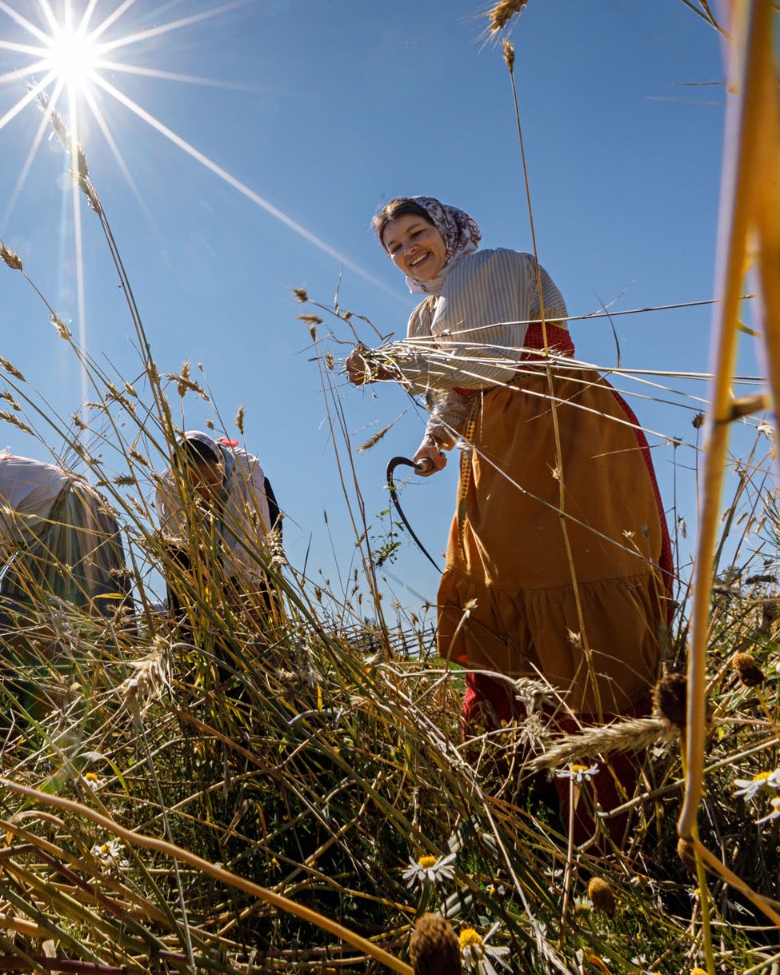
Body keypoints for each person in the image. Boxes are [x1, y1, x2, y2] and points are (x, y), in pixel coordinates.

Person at [346, 196, 672, 834]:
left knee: (571, 577)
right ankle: (525, 794)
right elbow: (457, 394)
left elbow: (486, 362)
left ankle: (606, 806)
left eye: (417, 233)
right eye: (394, 246)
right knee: (501, 587)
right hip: (497, 448)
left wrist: (384, 362)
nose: (409, 250)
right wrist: (435, 442)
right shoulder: (425, 312)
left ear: (447, 231)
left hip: (558, 429)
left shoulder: (489, 266)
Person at [0, 451, 129, 714]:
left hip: (71, 518)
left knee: (18, 599)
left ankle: (1, 682)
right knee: (95, 605)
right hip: (91, 511)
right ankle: (105, 692)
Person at [153, 430, 284, 627]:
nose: (204, 492)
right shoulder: (169, 490)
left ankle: (271, 630)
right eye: (194, 485)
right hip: (199, 530)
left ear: (220, 469)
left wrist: (249, 596)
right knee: (178, 560)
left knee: (262, 585)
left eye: (210, 481)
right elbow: (182, 543)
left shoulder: (245, 477)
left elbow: (249, 543)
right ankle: (189, 632)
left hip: (252, 519)